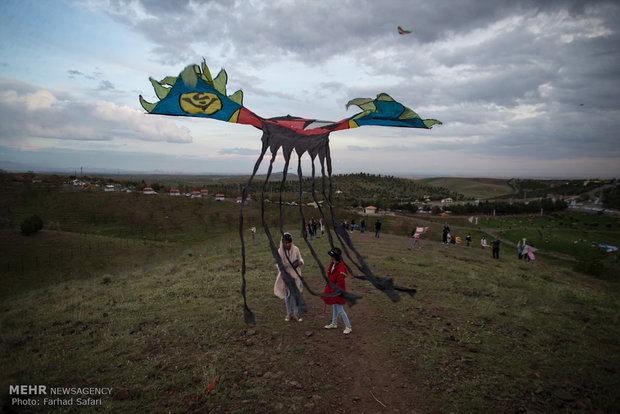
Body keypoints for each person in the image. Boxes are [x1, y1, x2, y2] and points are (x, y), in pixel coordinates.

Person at [273, 233, 305, 322]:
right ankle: (288, 313)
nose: (287, 245)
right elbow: (278, 264)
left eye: (289, 243)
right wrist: (283, 265)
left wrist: (300, 262)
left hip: (296, 275)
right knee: (287, 295)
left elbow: (301, 259)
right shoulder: (280, 251)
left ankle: (296, 313)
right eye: (285, 243)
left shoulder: (296, 249)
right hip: (286, 276)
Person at [322, 247, 352, 334]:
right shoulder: (333, 264)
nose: (329, 257)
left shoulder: (340, 269)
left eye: (331, 255)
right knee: (335, 307)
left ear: (334, 257)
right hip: (333, 290)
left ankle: (348, 326)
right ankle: (334, 323)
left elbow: (340, 283)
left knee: (340, 309)